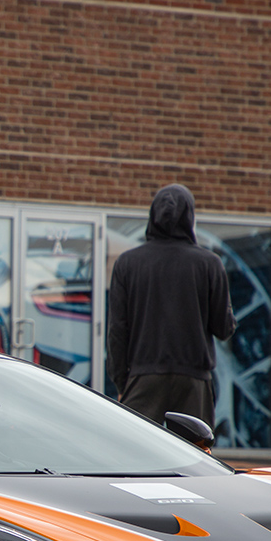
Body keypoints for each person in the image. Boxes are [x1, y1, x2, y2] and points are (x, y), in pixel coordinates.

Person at [106, 183, 235, 427]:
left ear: (152, 215)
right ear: (190, 217)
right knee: (195, 458)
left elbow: (117, 331)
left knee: (137, 455)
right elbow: (223, 329)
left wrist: (123, 382)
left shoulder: (128, 263)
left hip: (143, 377)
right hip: (193, 381)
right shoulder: (209, 264)